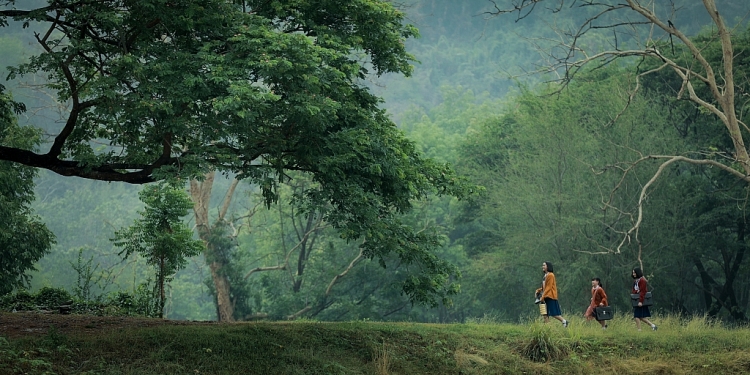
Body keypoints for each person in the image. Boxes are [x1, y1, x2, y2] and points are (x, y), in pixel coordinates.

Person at [535, 261, 568, 327]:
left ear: (548, 266)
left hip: (550, 296)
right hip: (544, 296)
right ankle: (548, 328)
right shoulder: (545, 276)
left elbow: (549, 287)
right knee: (544, 314)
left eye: (544, 265)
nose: (543, 267)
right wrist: (538, 291)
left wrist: (543, 296)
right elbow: (544, 287)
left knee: (553, 313)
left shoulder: (551, 275)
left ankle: (564, 321)